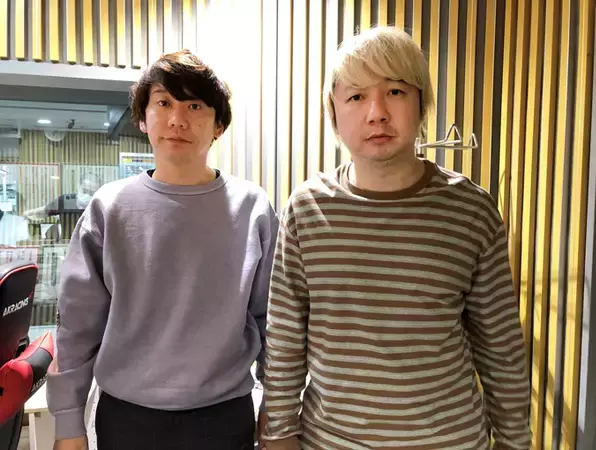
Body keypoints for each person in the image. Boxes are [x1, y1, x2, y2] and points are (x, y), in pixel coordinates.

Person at [260, 27, 531, 449]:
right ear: (334, 112)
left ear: (422, 104)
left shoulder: (471, 211)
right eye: (356, 96)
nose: (377, 113)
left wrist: (515, 441)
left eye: (396, 92)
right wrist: (278, 433)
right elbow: (284, 338)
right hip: (330, 441)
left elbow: (501, 346)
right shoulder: (307, 209)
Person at [47, 49, 278, 450]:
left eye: (195, 105)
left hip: (224, 415)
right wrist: (69, 423)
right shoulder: (109, 207)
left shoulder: (253, 208)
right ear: (143, 118)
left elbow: (271, 321)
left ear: (219, 125)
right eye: (164, 103)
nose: (177, 119)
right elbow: (78, 326)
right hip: (128, 417)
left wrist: (275, 409)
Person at [23, 173, 102, 241]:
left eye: (92, 193)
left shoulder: (101, 206)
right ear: (79, 186)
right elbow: (44, 211)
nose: (87, 195)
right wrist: (28, 213)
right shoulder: (66, 201)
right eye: (85, 191)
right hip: (67, 244)